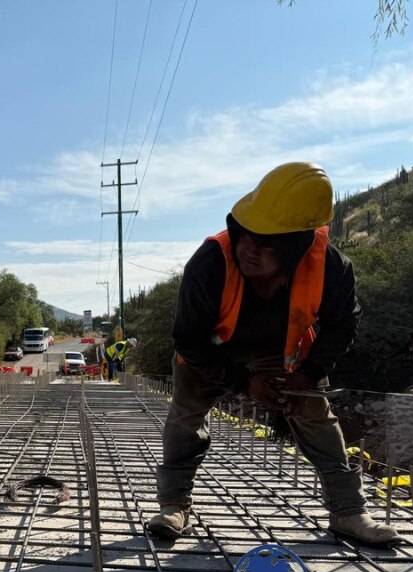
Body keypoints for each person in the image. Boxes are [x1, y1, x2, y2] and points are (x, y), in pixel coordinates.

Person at [149, 162, 398, 545]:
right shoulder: (210, 262)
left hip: (284, 353)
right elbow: (187, 339)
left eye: (266, 242)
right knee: (185, 417)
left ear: (295, 246)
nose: (250, 248)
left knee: (316, 416)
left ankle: (349, 512)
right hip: (211, 351)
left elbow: (344, 324)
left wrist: (308, 375)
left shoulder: (331, 267)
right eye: (246, 235)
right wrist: (243, 383)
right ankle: (173, 505)